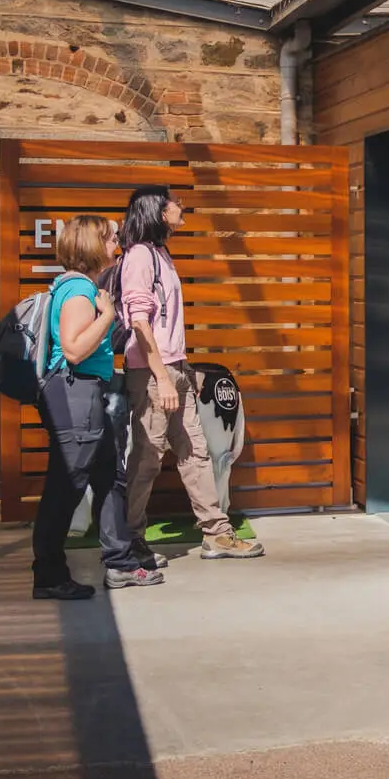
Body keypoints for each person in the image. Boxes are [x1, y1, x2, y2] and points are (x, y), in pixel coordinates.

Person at [119, 185, 265, 561]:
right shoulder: (138, 256)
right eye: (172, 202)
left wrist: (182, 370)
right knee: (147, 459)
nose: (180, 206)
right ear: (156, 210)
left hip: (174, 369)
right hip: (153, 374)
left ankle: (217, 533)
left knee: (196, 452)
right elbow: (139, 321)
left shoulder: (160, 254)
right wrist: (163, 376)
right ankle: (129, 540)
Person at [33, 215, 161, 599]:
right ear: (90, 245)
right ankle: (49, 575)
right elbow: (73, 350)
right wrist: (106, 315)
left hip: (87, 393)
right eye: (109, 240)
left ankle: (120, 562)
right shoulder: (77, 291)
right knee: (67, 485)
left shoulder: (80, 287)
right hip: (76, 393)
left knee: (109, 476)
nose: (116, 246)